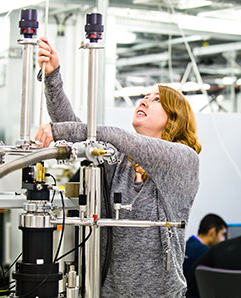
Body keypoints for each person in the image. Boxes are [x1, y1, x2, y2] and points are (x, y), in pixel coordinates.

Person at [35, 36, 201, 297]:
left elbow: (114, 135)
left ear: (174, 118)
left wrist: (60, 131)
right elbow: (83, 135)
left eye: (156, 100)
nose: (144, 101)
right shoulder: (120, 160)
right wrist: (53, 75)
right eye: (145, 96)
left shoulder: (183, 161)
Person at [183, 214, 227, 298]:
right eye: (222, 234)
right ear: (212, 232)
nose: (224, 239)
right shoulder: (205, 252)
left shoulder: (185, 246)